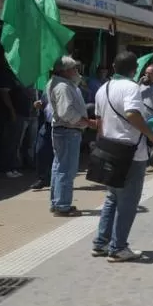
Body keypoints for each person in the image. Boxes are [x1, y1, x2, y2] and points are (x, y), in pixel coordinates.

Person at [92, 51, 153, 262]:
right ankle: (118, 247)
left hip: (109, 148)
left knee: (112, 198)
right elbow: (132, 113)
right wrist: (151, 135)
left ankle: (101, 243)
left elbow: (99, 121)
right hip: (130, 153)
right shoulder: (131, 88)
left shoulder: (103, 88)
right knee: (128, 203)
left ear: (113, 66)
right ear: (135, 70)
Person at [46, 56, 92, 216]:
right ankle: (62, 205)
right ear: (65, 71)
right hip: (68, 131)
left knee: (59, 167)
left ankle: (57, 202)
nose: (76, 72)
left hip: (64, 131)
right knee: (66, 169)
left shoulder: (63, 84)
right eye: (74, 69)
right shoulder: (63, 87)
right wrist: (87, 122)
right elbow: (67, 112)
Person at [0, 60, 32, 179]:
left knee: (15, 142)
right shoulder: (5, 75)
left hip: (22, 113)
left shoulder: (18, 75)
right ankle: (5, 168)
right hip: (11, 114)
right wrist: (12, 111)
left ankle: (12, 166)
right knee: (8, 141)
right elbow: (4, 94)